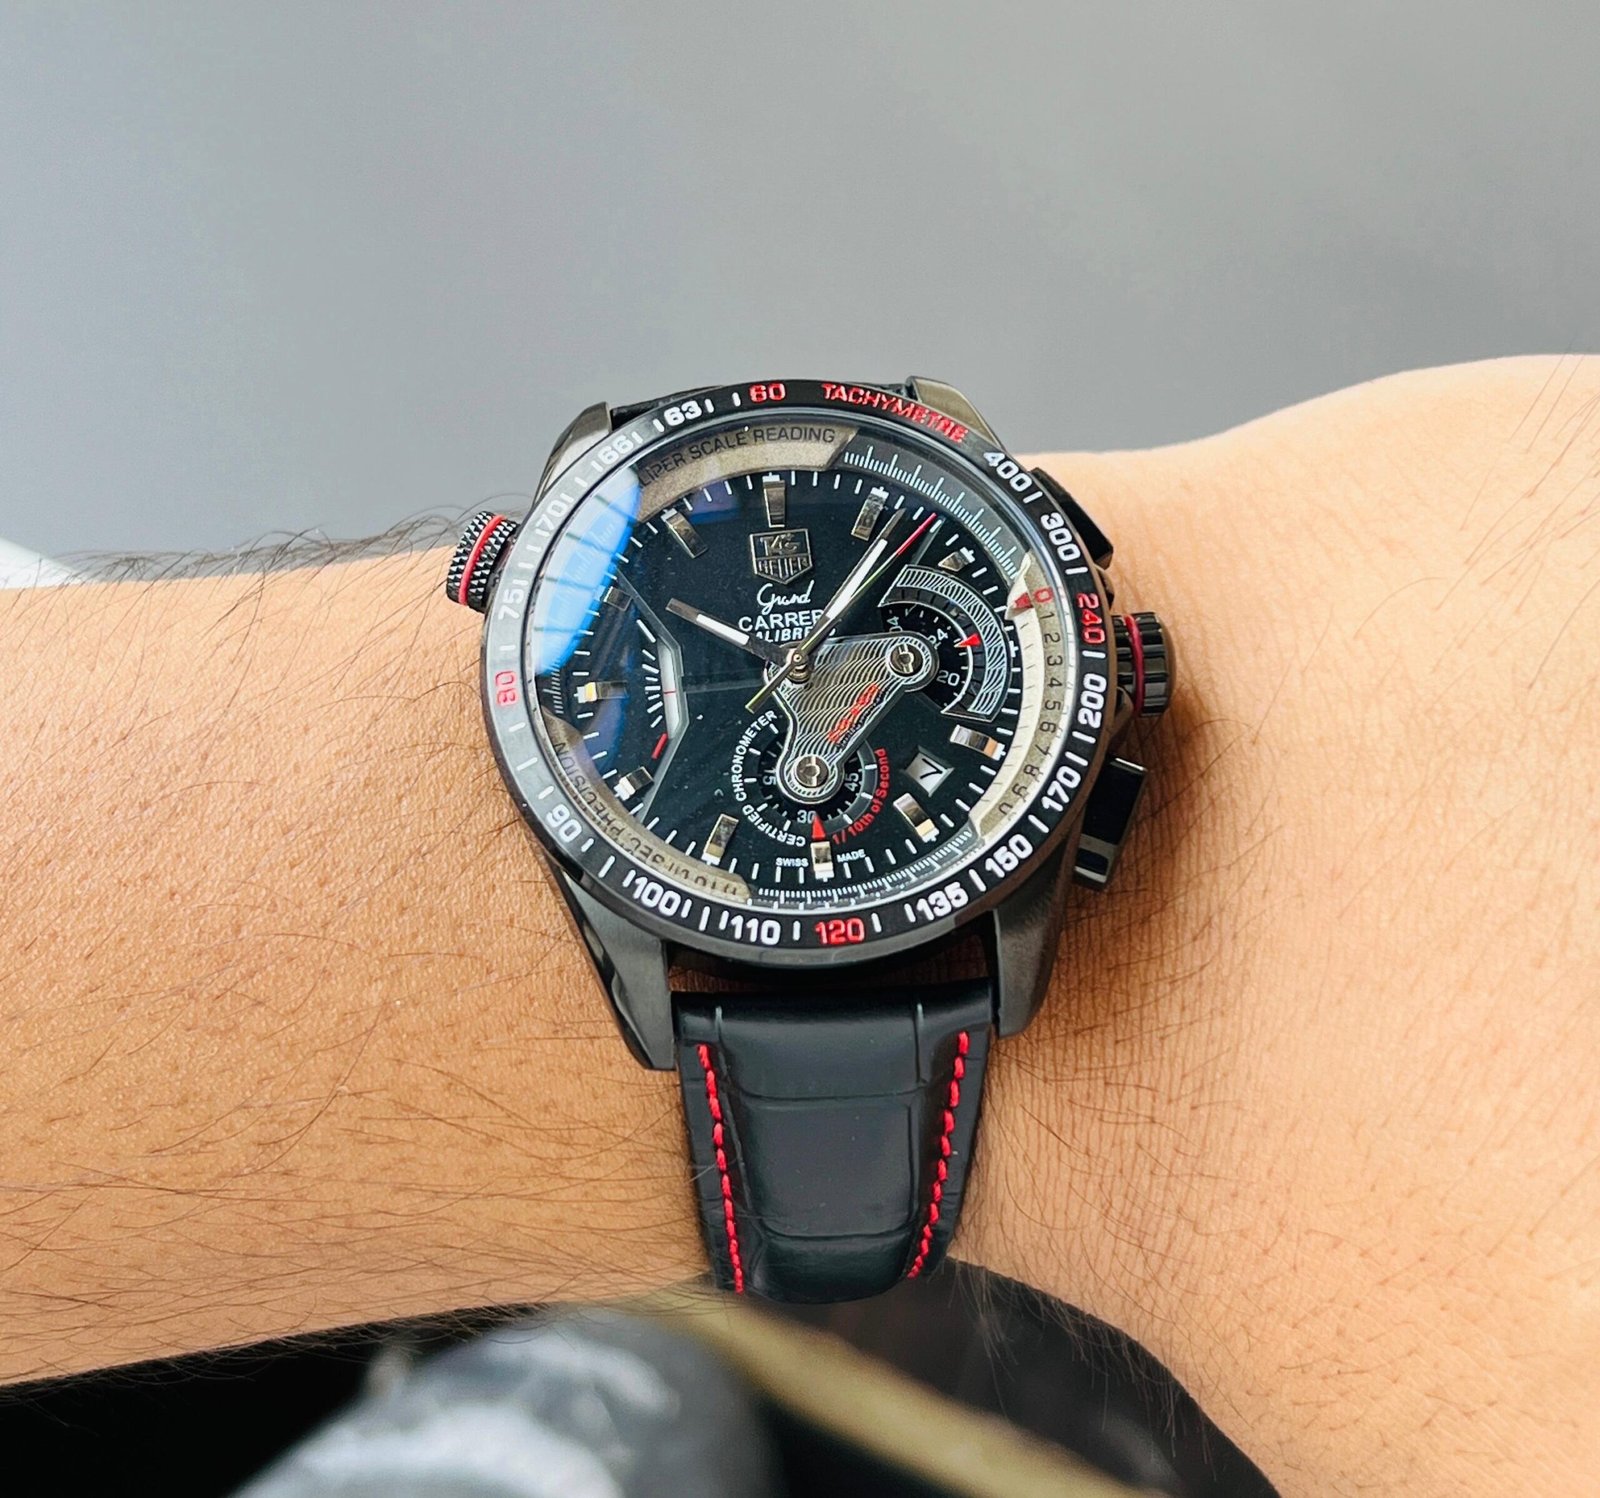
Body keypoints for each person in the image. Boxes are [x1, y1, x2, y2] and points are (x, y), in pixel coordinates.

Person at [1, 356, 1594, 1497]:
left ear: (1120, 673)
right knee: (654, 1405)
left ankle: (600, 1403)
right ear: (502, 585)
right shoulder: (599, 688)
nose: (793, 682)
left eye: (840, 656)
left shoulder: (1010, 644)